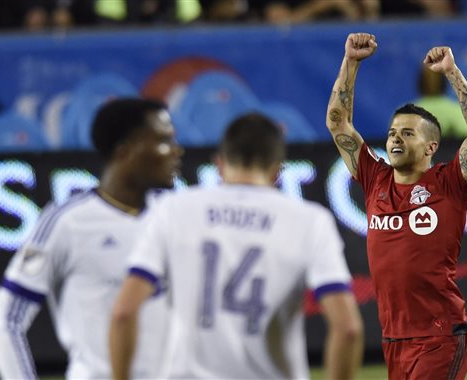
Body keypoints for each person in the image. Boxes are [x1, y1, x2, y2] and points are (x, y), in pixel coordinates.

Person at [109, 112, 364, 380]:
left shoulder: (172, 209)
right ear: (278, 171)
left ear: (219, 165)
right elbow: (347, 328)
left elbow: (124, 312)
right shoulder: (310, 221)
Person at [325, 33, 467, 380]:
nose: (396, 138)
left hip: (440, 335)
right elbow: (338, 123)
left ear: (431, 146)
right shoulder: (375, 180)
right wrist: (351, 63)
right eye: (392, 132)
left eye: (408, 133)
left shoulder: (449, 184)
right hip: (394, 338)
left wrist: (451, 72)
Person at [0, 98, 183, 379]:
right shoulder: (68, 222)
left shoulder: (175, 215)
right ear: (125, 152)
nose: (177, 151)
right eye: (163, 141)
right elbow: (5, 319)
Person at [414, 64, 467, 138]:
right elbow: (466, 136)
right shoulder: (455, 110)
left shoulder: (408, 113)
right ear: (444, 82)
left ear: (419, 82)